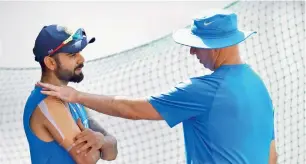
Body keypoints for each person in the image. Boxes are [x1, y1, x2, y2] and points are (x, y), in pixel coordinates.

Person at [38, 9, 277, 164]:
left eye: (197, 45)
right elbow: (271, 156)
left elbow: (131, 110)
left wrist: (76, 95)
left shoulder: (206, 90)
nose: (192, 51)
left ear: (215, 47)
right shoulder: (257, 85)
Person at [23, 24, 118, 164]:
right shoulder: (48, 103)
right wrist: (102, 142)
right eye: (72, 54)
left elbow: (112, 153)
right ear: (50, 62)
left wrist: (101, 140)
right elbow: (87, 158)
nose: (82, 59)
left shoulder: (72, 98)